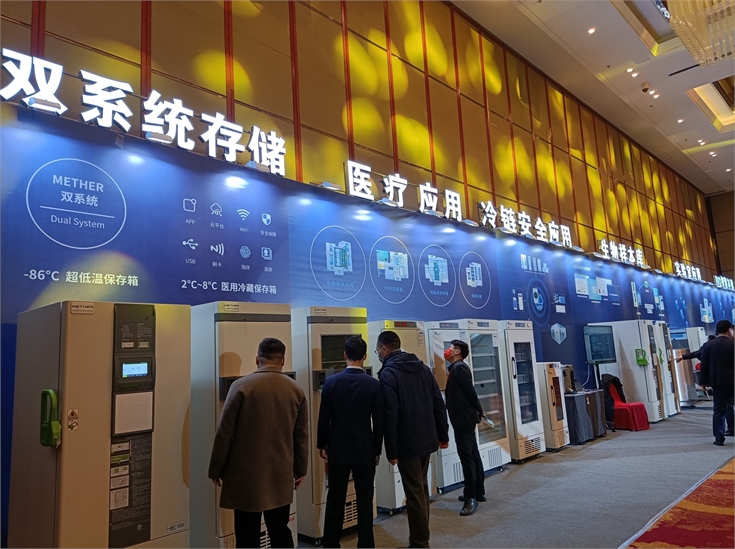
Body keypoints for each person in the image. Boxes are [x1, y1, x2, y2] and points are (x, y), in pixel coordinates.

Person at [209, 338, 309, 548]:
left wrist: (216, 469)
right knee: (280, 531)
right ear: (283, 360)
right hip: (280, 473)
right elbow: (300, 435)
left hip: (245, 475)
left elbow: (224, 432)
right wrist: (300, 469)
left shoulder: (240, 387)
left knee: (247, 535)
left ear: (257, 359)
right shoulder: (296, 390)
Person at [376, 330, 449, 549]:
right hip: (427, 438)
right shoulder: (423, 368)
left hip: (406, 442)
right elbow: (438, 402)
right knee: (421, 487)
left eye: (378, 350)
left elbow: (390, 414)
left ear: (384, 349)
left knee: (415, 492)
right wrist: (443, 434)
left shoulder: (388, 374)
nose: (378, 354)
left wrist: (391, 450)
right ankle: (421, 539)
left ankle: (420, 543)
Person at [317, 336, 384, 548]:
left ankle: (331, 544)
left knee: (335, 499)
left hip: (338, 449)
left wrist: (322, 444)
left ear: (344, 355)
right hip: (364, 449)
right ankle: (366, 544)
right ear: (365, 356)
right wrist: (377, 450)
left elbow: (324, 417)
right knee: (365, 499)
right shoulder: (374, 385)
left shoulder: (331, 382)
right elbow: (379, 421)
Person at [444, 339, 485, 516]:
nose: (447, 350)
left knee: (466, 457)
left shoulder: (459, 368)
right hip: (464, 418)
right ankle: (479, 491)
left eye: (451, 348)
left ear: (457, 351)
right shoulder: (456, 368)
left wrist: (479, 409)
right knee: (473, 453)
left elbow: (470, 392)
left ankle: (470, 498)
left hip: (463, 419)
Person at [699, 320, 734, 446]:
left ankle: (719, 439)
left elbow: (704, 365)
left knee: (719, 410)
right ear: (729, 330)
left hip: (718, 382)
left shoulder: (708, 345)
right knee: (729, 406)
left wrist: (703, 382)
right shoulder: (733, 343)